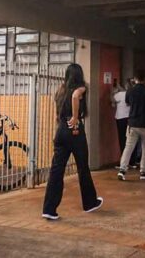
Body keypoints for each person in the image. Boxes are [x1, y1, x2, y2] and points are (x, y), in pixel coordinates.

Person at [42, 63, 103, 220]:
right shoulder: (81, 88)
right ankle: (90, 203)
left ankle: (49, 208)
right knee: (82, 167)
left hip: (61, 129)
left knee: (57, 170)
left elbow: (59, 106)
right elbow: (76, 96)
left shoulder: (60, 90)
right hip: (74, 130)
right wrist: (75, 117)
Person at [117, 70, 145, 181]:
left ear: (135, 79)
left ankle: (122, 170)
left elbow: (128, 102)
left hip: (133, 123)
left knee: (128, 147)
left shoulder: (130, 91)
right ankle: (143, 172)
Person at [113, 78, 139, 169]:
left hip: (120, 118)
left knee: (123, 140)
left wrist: (112, 92)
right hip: (131, 119)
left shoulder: (120, 94)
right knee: (133, 139)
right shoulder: (134, 94)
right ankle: (133, 161)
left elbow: (112, 102)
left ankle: (124, 162)